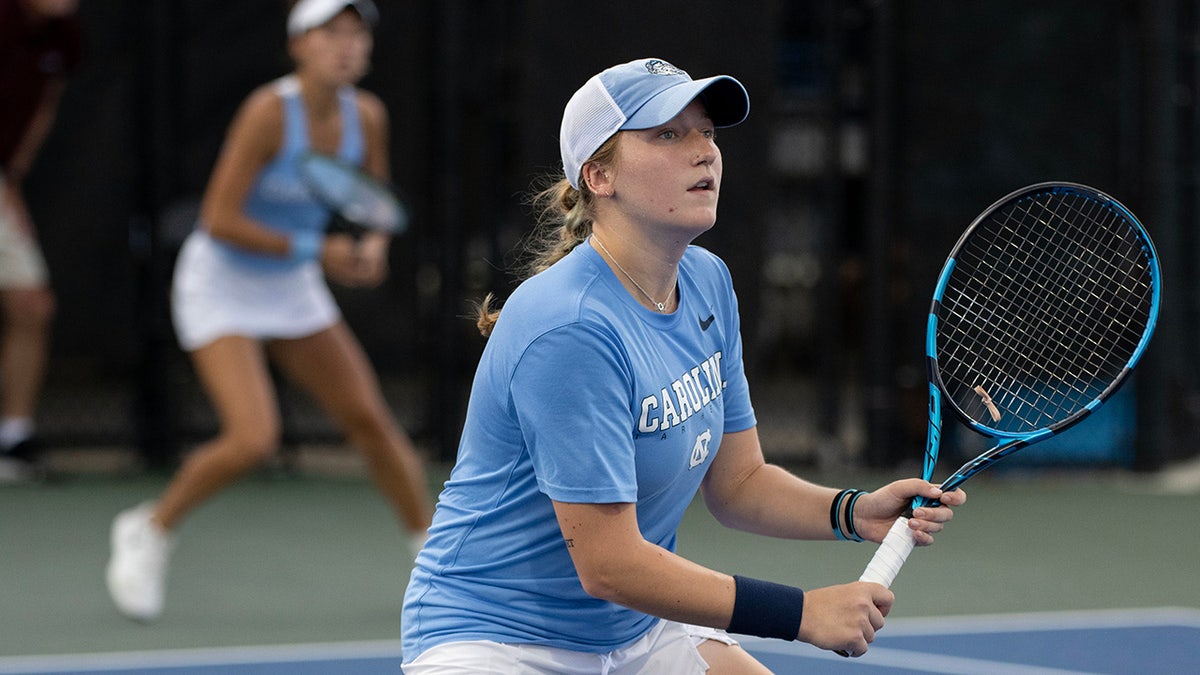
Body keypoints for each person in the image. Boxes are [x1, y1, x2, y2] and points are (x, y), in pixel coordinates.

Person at [399, 57, 966, 673]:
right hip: (497, 640)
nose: (704, 152)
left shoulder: (707, 281)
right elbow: (609, 565)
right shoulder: (571, 328)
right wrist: (799, 612)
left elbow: (738, 484)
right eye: (668, 134)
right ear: (598, 176)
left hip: (635, 632)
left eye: (708, 133)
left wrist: (852, 511)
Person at [105, 0, 433, 622]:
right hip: (221, 282)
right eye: (330, 33)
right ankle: (149, 527)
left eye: (357, 35)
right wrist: (322, 249)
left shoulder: (368, 114)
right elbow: (219, 219)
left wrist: (372, 250)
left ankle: (436, 562)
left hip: (291, 284)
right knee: (253, 439)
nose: (347, 46)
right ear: (298, 45)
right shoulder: (266, 112)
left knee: (371, 422)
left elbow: (374, 202)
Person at [0, 0, 81, 479]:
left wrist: (11, 177)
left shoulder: (63, 33)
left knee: (31, 305)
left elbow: (46, 101)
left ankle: (12, 437)